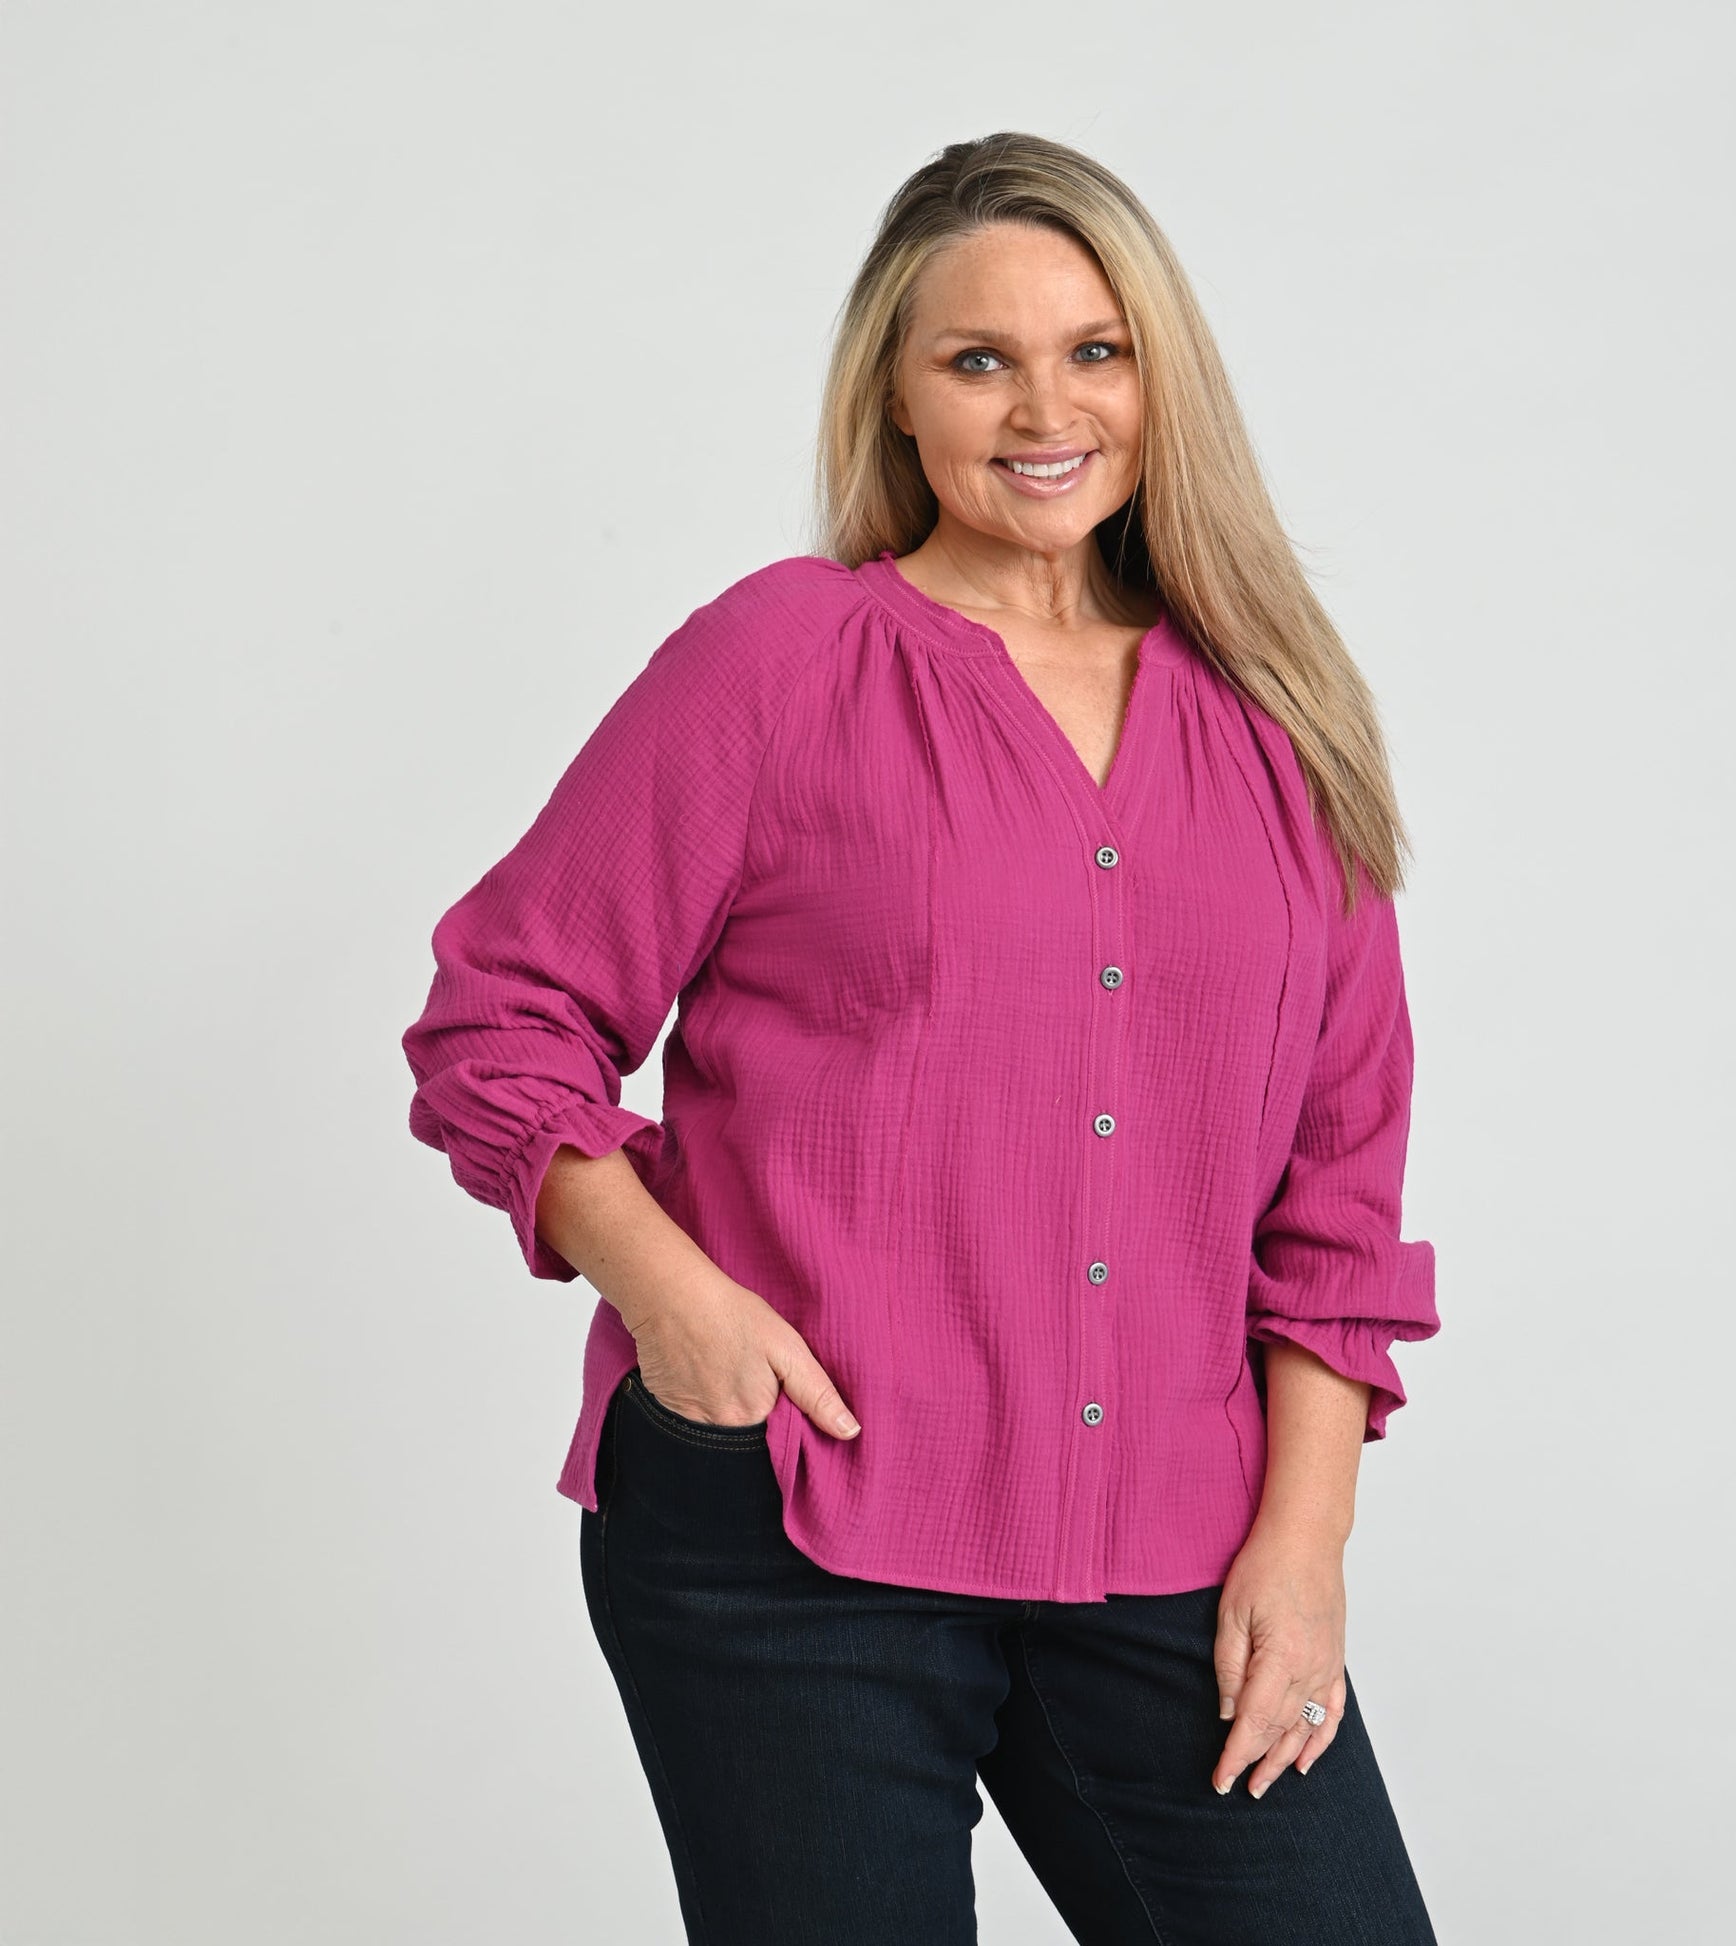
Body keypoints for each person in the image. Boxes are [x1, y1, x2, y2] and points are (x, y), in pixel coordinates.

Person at [401, 130, 1442, 1944]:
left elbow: (1334, 1197)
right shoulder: (780, 664)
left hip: (1174, 1546)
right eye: (979, 359)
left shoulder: (1278, 723)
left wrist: (1305, 1545)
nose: (1044, 408)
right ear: (896, 393)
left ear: (1159, 380)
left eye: (1094, 351)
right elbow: (502, 1015)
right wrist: (678, 1303)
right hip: (795, 1535)